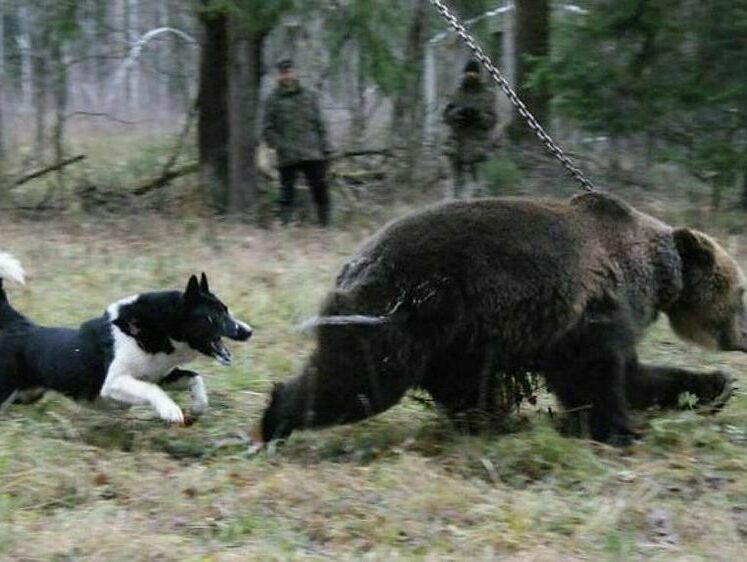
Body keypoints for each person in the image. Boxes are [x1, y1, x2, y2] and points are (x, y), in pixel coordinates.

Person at [262, 59, 332, 226]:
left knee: (320, 190)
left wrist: (326, 148)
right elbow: (267, 129)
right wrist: (280, 145)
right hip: (287, 155)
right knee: (287, 193)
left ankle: (325, 225)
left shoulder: (309, 96)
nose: (287, 76)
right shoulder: (273, 100)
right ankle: (285, 226)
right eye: (284, 73)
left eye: (290, 72)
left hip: (312, 152)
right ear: (279, 76)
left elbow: (319, 123)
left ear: (295, 73)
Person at [442, 59, 498, 198]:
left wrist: (478, 116)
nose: (471, 76)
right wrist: (458, 114)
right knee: (455, 186)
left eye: (474, 74)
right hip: (458, 143)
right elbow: (446, 116)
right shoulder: (456, 94)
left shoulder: (487, 95)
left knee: (480, 185)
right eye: (468, 73)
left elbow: (492, 121)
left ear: (479, 75)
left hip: (477, 144)